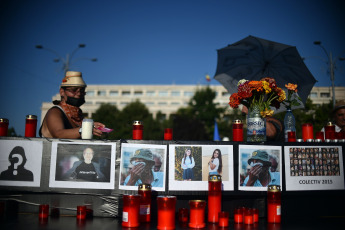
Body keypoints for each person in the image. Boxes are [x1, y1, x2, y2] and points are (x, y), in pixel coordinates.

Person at [39, 71, 105, 139]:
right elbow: (58, 134)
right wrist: (85, 128)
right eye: (74, 90)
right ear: (62, 92)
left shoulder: (79, 116)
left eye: (81, 91)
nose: (79, 94)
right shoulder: (55, 112)